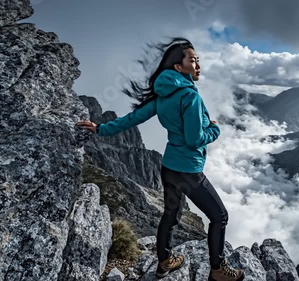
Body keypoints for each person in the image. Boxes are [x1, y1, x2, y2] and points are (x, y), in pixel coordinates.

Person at [76, 38, 244, 281]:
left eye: (198, 60)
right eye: (193, 60)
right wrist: (215, 129)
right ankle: (218, 270)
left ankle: (165, 261)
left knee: (171, 215)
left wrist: (101, 128)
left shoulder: (163, 94)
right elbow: (194, 139)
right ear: (179, 67)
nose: (198, 65)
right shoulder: (190, 97)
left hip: (169, 168)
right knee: (219, 216)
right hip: (188, 170)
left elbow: (133, 118)